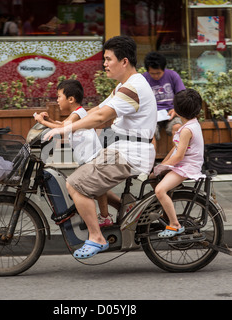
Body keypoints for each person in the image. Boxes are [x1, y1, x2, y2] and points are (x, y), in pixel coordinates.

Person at [44, 35, 157, 259]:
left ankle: (97, 237)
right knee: (89, 178)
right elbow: (96, 111)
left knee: (75, 183)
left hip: (130, 154)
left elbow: (101, 118)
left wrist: (66, 130)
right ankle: (129, 210)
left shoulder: (132, 89)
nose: (104, 64)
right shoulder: (123, 87)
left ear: (124, 61)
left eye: (108, 59)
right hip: (123, 150)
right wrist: (63, 124)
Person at [34, 79, 119, 226]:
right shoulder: (77, 113)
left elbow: (63, 129)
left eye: (59, 96)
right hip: (88, 158)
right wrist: (49, 120)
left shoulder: (78, 113)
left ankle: (105, 217)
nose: (58, 100)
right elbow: (62, 125)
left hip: (93, 158)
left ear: (71, 99)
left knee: (95, 189)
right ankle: (123, 207)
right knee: (99, 189)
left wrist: (42, 122)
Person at [152, 89, 204, 238]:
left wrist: (163, 166)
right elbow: (175, 148)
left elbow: (179, 156)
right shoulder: (191, 124)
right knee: (152, 177)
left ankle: (174, 224)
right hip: (183, 164)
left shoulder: (187, 130)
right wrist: (163, 164)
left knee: (160, 190)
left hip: (186, 166)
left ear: (178, 111)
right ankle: (164, 211)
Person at [142, 52, 185, 149]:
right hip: (152, 114)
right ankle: (149, 163)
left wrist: (176, 110)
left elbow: (182, 96)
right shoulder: (143, 79)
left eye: (158, 73)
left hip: (171, 112)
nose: (156, 76)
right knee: (148, 132)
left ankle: (178, 160)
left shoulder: (172, 76)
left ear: (164, 69)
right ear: (148, 71)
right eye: (152, 73)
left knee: (177, 128)